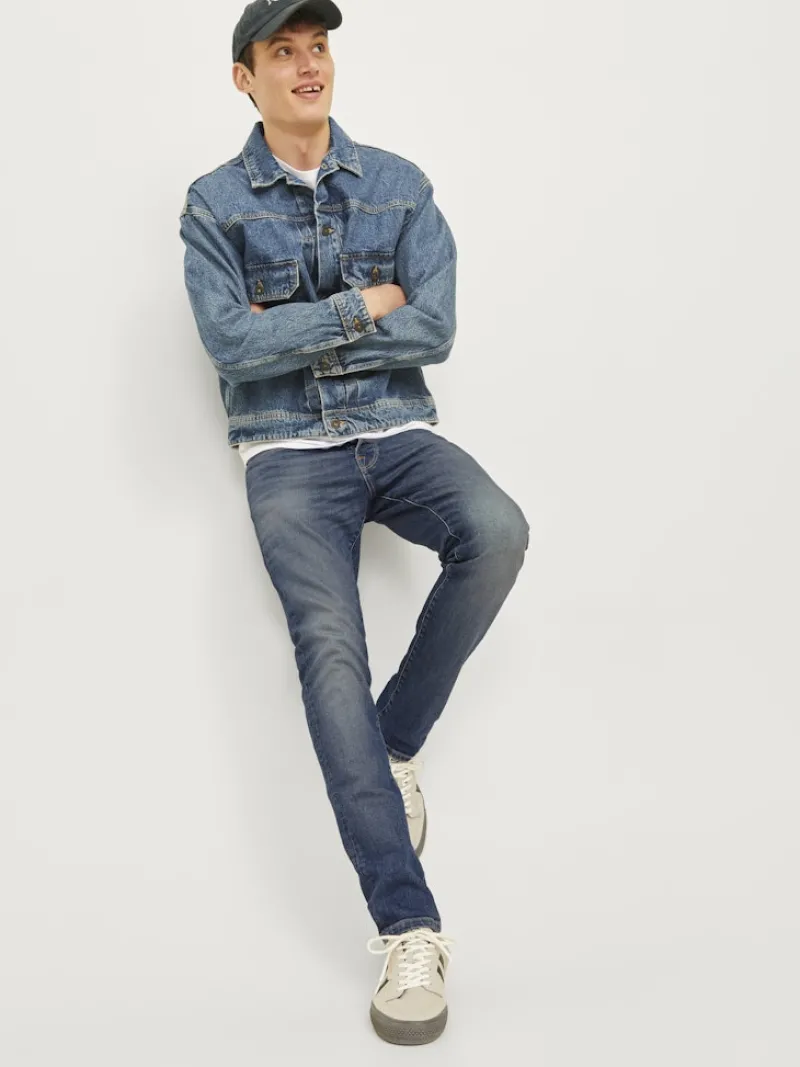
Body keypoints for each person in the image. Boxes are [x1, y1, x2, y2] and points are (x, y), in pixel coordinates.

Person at [178, 0, 529, 1046]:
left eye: (318, 46)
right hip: (286, 452)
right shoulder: (211, 204)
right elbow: (229, 345)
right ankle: (408, 926)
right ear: (244, 79)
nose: (307, 65)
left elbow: (435, 323)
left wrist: (296, 329)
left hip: (395, 430)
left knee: (497, 530)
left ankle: (392, 744)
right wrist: (362, 305)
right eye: (282, 51)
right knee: (331, 649)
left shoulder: (399, 183)